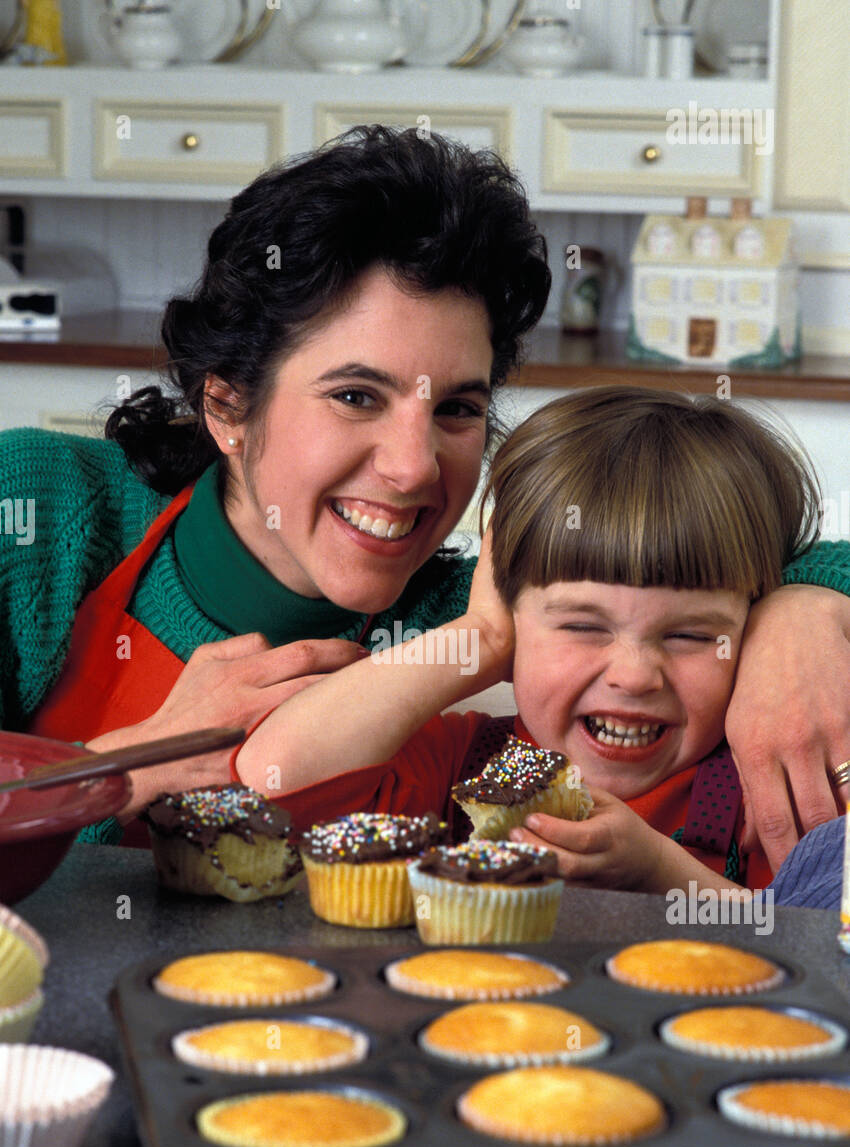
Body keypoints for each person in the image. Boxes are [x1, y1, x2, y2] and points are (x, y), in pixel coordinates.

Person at [0, 127, 848, 860]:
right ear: (227, 402)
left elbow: (693, 567)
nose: (414, 468)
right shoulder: (48, 516)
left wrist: (801, 613)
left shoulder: (478, 618)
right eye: (355, 396)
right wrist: (118, 769)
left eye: (457, 408)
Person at [235, 387, 850, 896]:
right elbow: (273, 778)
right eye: (582, 626)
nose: (635, 676)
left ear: (753, 635)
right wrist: (481, 638)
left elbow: (818, 951)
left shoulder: (776, 784)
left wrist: (662, 873)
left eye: (690, 635)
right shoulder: (466, 765)